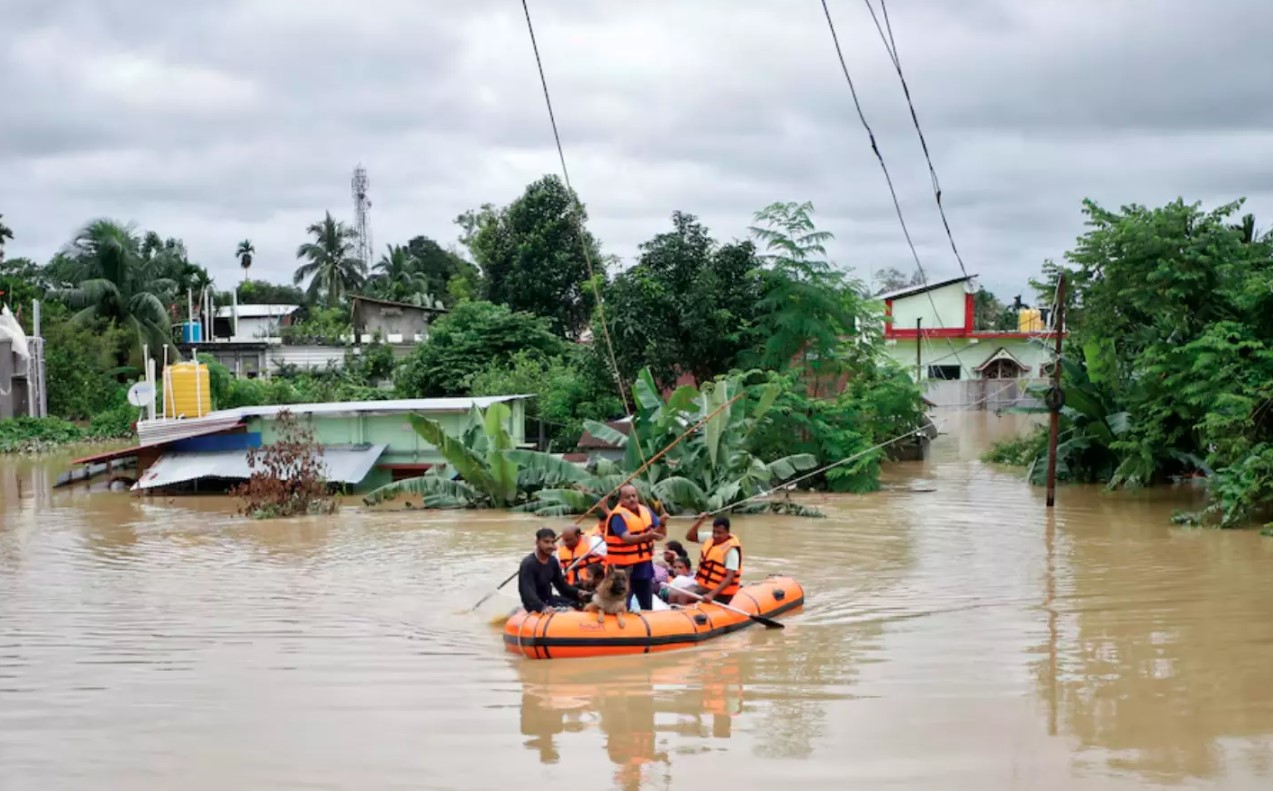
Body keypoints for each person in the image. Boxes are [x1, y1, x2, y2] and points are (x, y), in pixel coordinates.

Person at [602, 484, 664, 611]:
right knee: (623, 600)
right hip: (623, 567)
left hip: (643, 564)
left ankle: (648, 620)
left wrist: (663, 523)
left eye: (634, 496)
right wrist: (647, 535)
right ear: (620, 500)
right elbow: (627, 538)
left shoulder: (645, 511)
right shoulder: (617, 516)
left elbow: (661, 534)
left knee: (646, 600)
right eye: (627, 497)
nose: (632, 499)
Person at [519, 527, 589, 613]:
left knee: (578, 605)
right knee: (570, 610)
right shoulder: (528, 564)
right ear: (537, 542)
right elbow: (527, 592)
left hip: (549, 599)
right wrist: (542, 607)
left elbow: (562, 586)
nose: (550, 546)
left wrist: (578, 592)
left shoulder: (552, 561)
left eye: (552, 542)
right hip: (535, 605)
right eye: (546, 542)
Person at [685, 513, 743, 605]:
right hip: (705, 586)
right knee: (676, 594)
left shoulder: (731, 551)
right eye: (714, 532)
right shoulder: (710, 537)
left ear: (727, 532)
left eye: (719, 533)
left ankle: (679, 614)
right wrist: (700, 521)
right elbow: (690, 537)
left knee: (682, 596)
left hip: (721, 593)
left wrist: (711, 595)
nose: (715, 535)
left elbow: (730, 578)